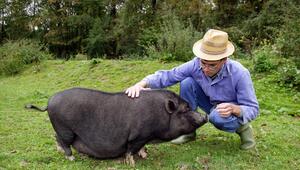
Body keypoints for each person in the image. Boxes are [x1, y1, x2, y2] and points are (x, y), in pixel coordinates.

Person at [125, 29, 259, 150]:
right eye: (203, 63)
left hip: (229, 110)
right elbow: (169, 75)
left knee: (216, 117)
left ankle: (244, 128)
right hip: (210, 102)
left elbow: (253, 108)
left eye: (212, 65)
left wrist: (236, 109)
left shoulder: (240, 73)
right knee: (187, 82)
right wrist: (142, 84)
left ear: (224, 59)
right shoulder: (195, 64)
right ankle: (188, 131)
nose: (205, 69)